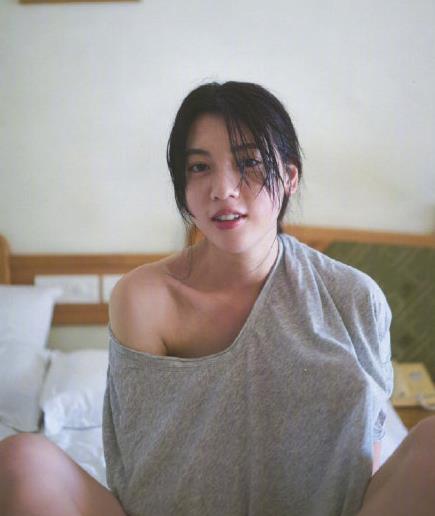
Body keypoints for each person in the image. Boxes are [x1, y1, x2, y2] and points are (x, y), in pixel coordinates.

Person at [0, 81, 434, 516]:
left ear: (290, 177)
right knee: (20, 459)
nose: (223, 189)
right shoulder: (145, 298)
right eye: (199, 167)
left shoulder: (353, 298)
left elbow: (365, 457)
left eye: (249, 162)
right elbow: (146, 467)